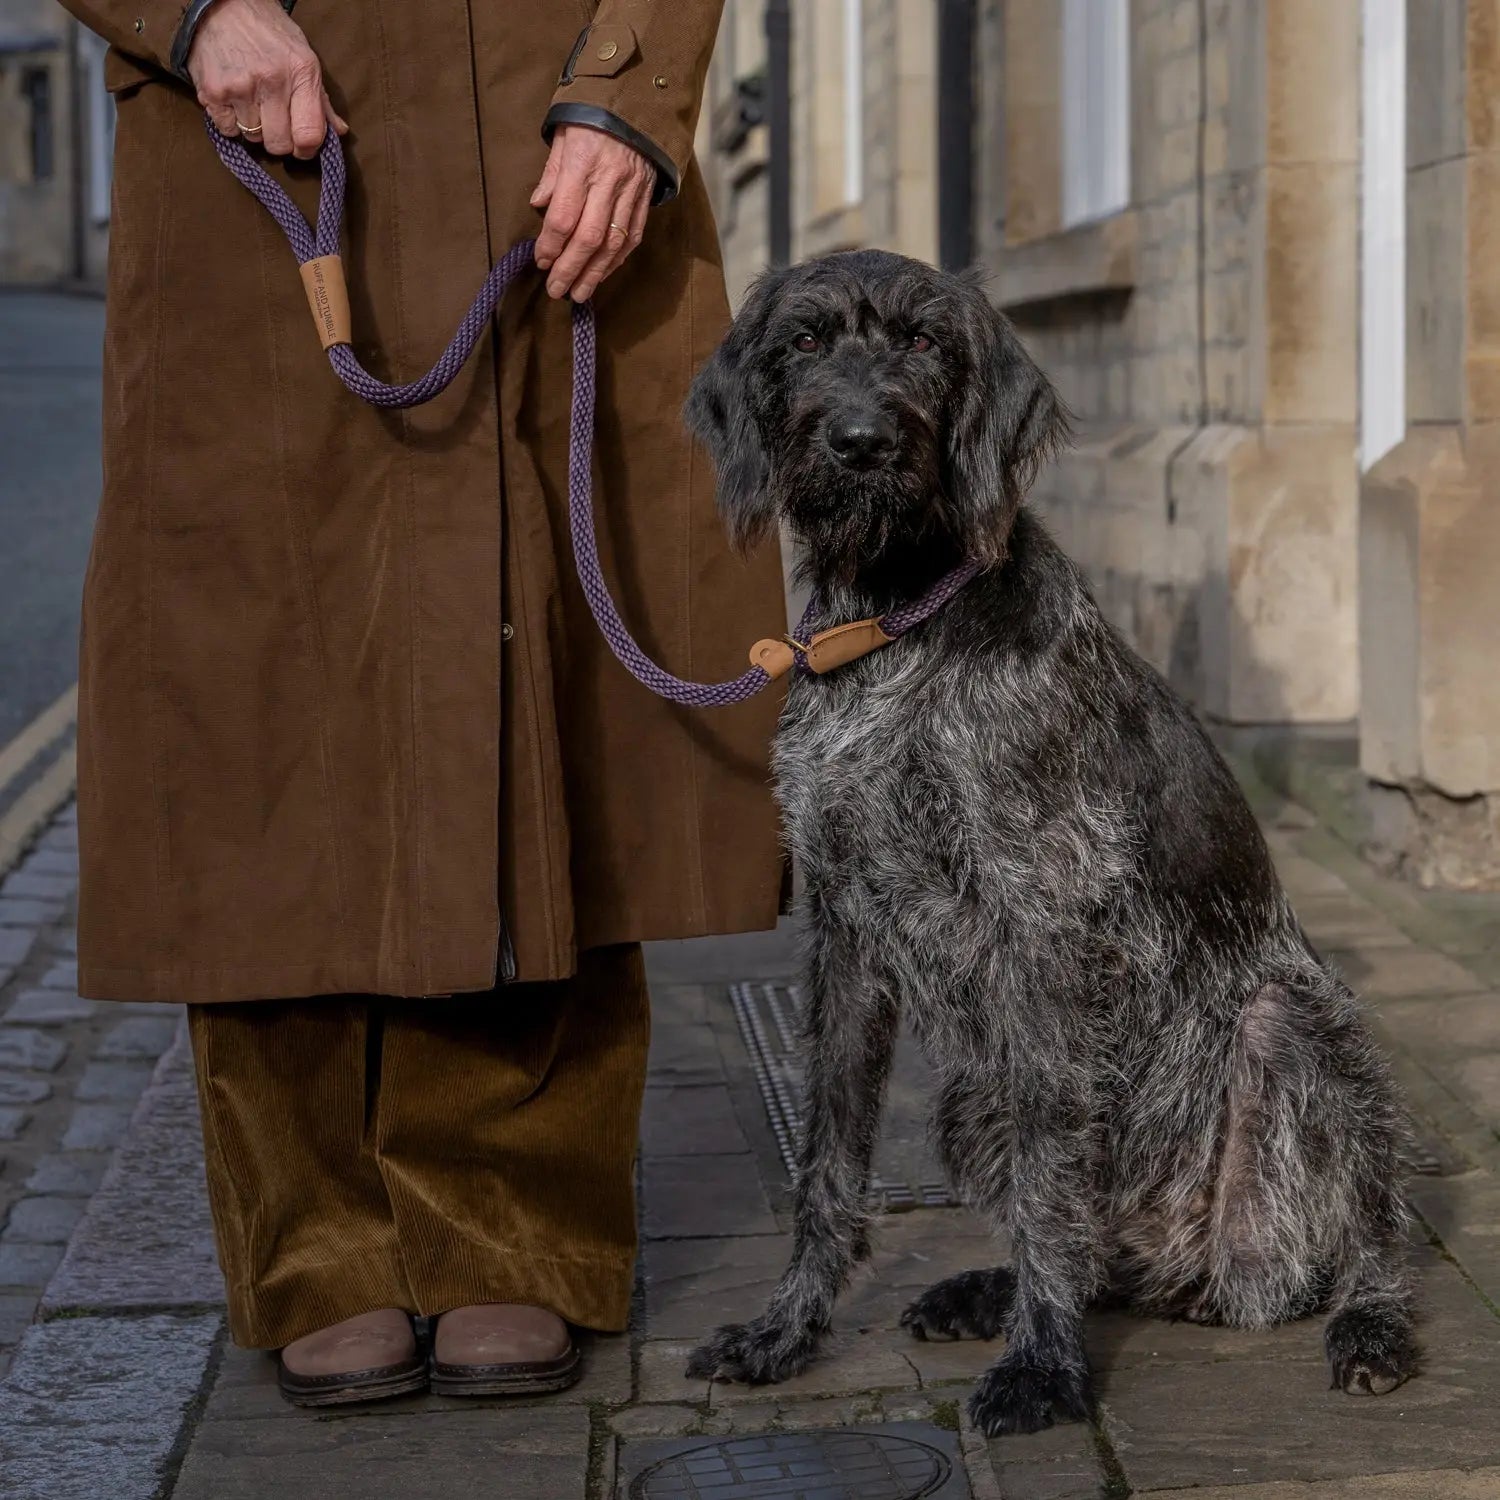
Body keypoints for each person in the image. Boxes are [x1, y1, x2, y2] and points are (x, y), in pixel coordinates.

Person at [54, 0, 784, 1404]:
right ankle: (320, 1244)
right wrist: (193, 12)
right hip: (261, 152)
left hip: (553, 149)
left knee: (545, 688)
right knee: (262, 706)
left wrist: (629, 88)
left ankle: (509, 1224)